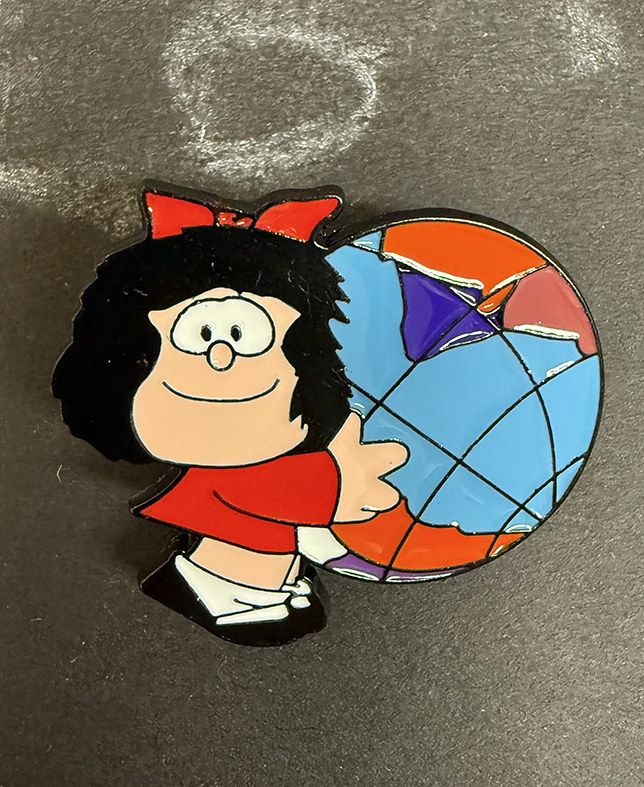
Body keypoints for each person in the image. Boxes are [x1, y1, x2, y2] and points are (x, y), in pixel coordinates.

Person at [53, 186, 407, 646]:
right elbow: (314, 505)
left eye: (241, 336)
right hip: (228, 590)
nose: (220, 358)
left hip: (261, 587)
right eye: (202, 335)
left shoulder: (283, 458)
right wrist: (339, 485)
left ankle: (265, 592)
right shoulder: (253, 475)